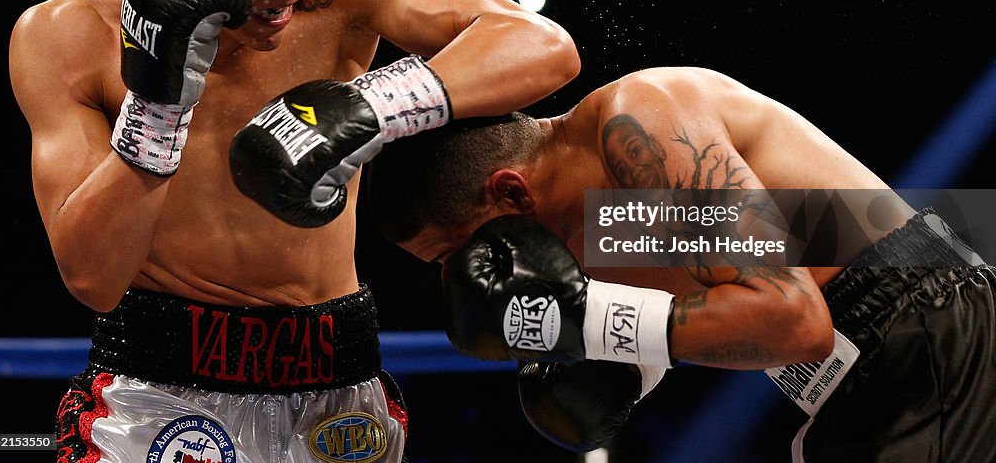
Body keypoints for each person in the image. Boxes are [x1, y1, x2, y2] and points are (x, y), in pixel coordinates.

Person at [8, 0, 580, 463]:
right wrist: (156, 111)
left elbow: (546, 47)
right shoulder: (69, 34)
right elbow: (92, 278)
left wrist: (375, 102)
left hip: (339, 390)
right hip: (161, 395)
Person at [366, 66, 996, 462]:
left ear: (510, 193)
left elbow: (792, 321)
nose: (469, 272)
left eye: (456, 252)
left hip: (926, 329)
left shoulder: (639, 119)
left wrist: (582, 322)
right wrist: (604, 374)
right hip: (857, 377)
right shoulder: (585, 234)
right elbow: (704, 317)